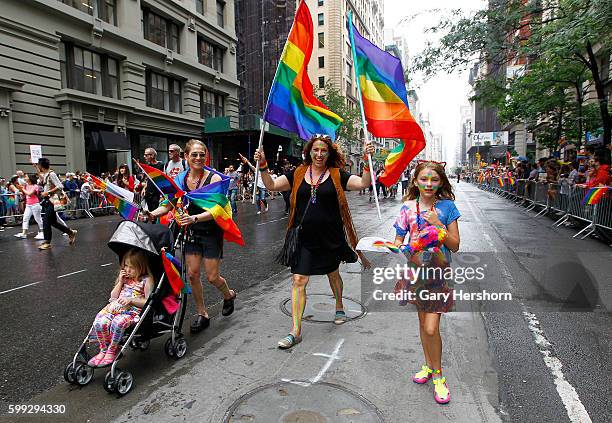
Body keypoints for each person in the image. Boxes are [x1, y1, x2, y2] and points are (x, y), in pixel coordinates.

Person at [254, 135, 374, 349]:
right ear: (309, 152)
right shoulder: (298, 173)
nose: (319, 154)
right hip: (303, 238)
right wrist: (263, 165)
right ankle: (295, 331)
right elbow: (271, 185)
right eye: (315, 150)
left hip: (330, 237)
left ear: (329, 154)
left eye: (323, 151)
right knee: (299, 280)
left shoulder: (337, 175)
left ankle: (339, 305)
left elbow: (364, 183)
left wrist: (366, 159)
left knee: (333, 273)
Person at [143, 139, 237, 333]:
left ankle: (228, 295)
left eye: (202, 154)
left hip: (210, 231)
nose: (198, 158)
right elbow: (168, 204)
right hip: (190, 233)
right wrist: (153, 213)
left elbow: (218, 210)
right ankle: (202, 313)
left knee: (212, 277)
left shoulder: (214, 180)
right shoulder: (180, 180)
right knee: (193, 275)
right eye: (194, 154)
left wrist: (194, 218)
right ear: (186, 157)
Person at [393, 161, 460, 405]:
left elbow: (455, 244)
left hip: (438, 275)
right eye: (424, 179)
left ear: (441, 182)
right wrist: (398, 246)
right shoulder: (407, 208)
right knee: (423, 325)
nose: (429, 184)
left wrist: (438, 225)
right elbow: (399, 240)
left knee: (432, 328)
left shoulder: (447, 208)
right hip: (414, 274)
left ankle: (439, 376)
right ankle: (428, 366)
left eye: (434, 180)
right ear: (415, 181)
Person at [88, 249, 155, 367]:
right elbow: (113, 297)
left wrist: (132, 300)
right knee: (100, 321)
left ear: (141, 267)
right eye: (126, 266)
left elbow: (148, 302)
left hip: (132, 312)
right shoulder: (125, 279)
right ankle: (104, 349)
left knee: (117, 323)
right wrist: (120, 282)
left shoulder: (146, 280)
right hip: (115, 308)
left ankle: (113, 349)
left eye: (132, 267)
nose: (127, 270)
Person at [36, 158, 77, 250]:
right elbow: (41, 175)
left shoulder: (51, 174)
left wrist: (48, 192)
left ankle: (47, 242)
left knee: (46, 221)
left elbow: (60, 186)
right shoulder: (46, 174)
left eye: (38, 165)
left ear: (41, 166)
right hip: (49, 201)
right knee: (53, 222)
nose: (38, 166)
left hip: (53, 201)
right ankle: (70, 232)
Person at [14, 174, 44, 239]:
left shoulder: (35, 186)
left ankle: (42, 232)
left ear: (30, 178)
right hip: (28, 205)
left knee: (38, 219)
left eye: (26, 177)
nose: (25, 178)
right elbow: (23, 192)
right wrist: (20, 188)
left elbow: (30, 194)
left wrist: (22, 189)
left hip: (35, 204)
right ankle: (24, 233)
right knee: (25, 218)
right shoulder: (26, 185)